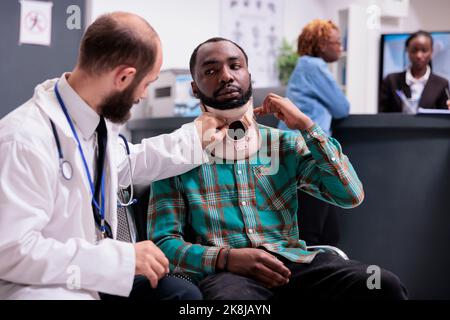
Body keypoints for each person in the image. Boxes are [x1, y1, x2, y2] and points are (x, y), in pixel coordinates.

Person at [147, 37, 408, 300]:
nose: (226, 76)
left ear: (249, 75)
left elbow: (350, 195)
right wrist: (226, 258)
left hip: (294, 264)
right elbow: (163, 244)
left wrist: (307, 126)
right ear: (194, 88)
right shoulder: (177, 154)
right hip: (227, 275)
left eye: (235, 66)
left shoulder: (284, 143)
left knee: (381, 283)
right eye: (211, 71)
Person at [0, 12, 225, 300]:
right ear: (124, 77)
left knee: (181, 296)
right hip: (42, 285)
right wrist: (120, 259)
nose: (143, 96)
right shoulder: (23, 140)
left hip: (93, 271)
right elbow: (11, 251)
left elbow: (129, 161)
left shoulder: (93, 120)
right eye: (147, 83)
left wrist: (194, 139)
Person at [278, 19, 350, 246]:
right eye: (336, 42)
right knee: (312, 232)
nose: (341, 47)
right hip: (307, 153)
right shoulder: (313, 66)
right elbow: (342, 107)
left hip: (299, 151)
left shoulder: (304, 65)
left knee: (328, 231)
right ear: (320, 44)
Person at [380, 30, 450, 113]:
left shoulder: (441, 84)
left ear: (431, 52)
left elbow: (443, 119)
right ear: (407, 50)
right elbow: (382, 114)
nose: (419, 55)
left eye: (424, 50)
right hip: (396, 126)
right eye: (414, 50)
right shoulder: (391, 80)